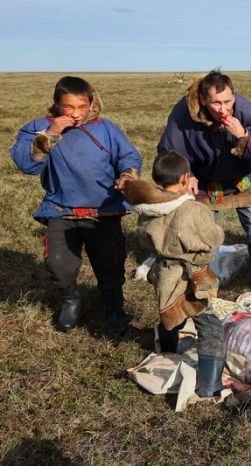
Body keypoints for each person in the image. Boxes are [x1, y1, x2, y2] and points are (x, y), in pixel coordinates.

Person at [10, 76, 142, 336]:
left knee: (111, 267)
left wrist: (127, 175)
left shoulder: (106, 128)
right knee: (59, 266)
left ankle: (115, 309)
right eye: (68, 107)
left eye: (82, 107)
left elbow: (129, 156)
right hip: (61, 210)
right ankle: (71, 298)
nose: (76, 114)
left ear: (91, 103)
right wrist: (50, 135)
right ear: (57, 104)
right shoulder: (39, 127)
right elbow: (26, 164)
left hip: (103, 210)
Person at [157, 69, 251, 286]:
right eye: (216, 103)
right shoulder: (183, 113)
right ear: (203, 99)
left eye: (228, 101)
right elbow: (171, 151)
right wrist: (187, 176)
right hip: (206, 182)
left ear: (234, 95)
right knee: (207, 233)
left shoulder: (244, 110)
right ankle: (208, 282)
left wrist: (244, 136)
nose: (224, 109)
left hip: (242, 179)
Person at [121, 150, 226, 397]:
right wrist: (194, 200)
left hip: (165, 273)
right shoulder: (192, 209)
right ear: (185, 178)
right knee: (209, 324)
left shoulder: (148, 209)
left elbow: (145, 240)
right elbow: (212, 239)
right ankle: (211, 387)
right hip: (191, 276)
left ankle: (167, 354)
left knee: (172, 311)